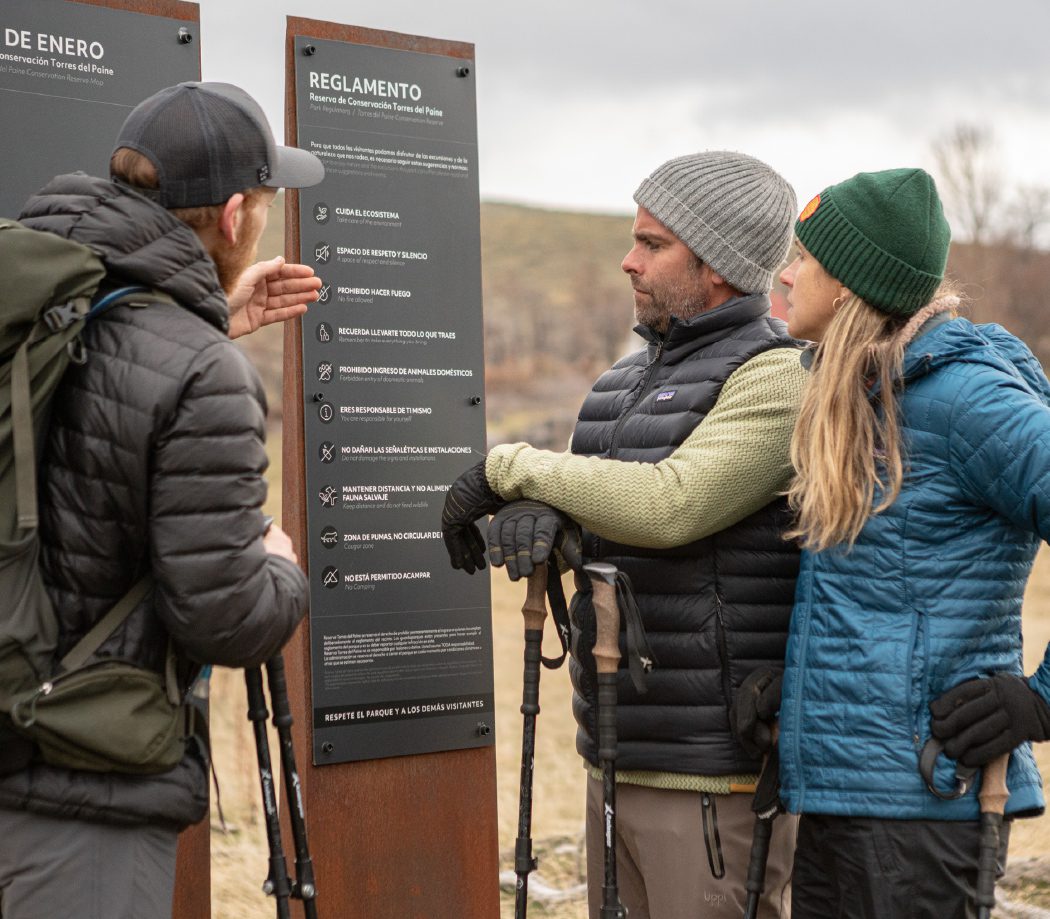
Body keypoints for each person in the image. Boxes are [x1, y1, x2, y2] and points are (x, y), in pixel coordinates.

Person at [443, 151, 806, 918]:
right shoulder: (616, 385)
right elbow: (608, 508)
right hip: (614, 749)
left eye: (653, 244)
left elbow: (671, 505)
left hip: (717, 774)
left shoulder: (778, 377)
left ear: (716, 265)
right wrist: (554, 523)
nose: (627, 261)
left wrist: (510, 469)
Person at [0, 82, 322, 918]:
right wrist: (281, 571)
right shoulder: (201, 372)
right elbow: (222, 615)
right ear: (232, 214)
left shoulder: (34, 304)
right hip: (81, 787)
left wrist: (210, 319)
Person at [734, 167, 1050, 918]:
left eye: (803, 257)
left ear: (847, 283)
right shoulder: (867, 394)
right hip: (846, 797)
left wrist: (1039, 702)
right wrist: (808, 691)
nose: (785, 273)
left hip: (924, 808)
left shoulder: (967, 400)